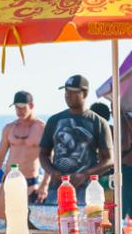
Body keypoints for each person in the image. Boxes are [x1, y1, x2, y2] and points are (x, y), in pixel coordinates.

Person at [39, 75, 113, 204]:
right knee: (55, 223)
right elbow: (43, 154)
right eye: (66, 91)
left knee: (85, 224)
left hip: (87, 190)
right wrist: (52, 172)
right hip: (56, 189)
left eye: (72, 92)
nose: (67, 95)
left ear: (84, 93)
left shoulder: (98, 122)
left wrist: (85, 174)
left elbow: (109, 160)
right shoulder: (54, 120)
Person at [0, 91, 46, 218]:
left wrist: (44, 185)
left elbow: (50, 158)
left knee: (27, 225)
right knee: (2, 220)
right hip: (8, 180)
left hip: (30, 183)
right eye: (17, 107)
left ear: (31, 106)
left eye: (23, 107)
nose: (20, 110)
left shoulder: (42, 128)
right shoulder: (9, 128)